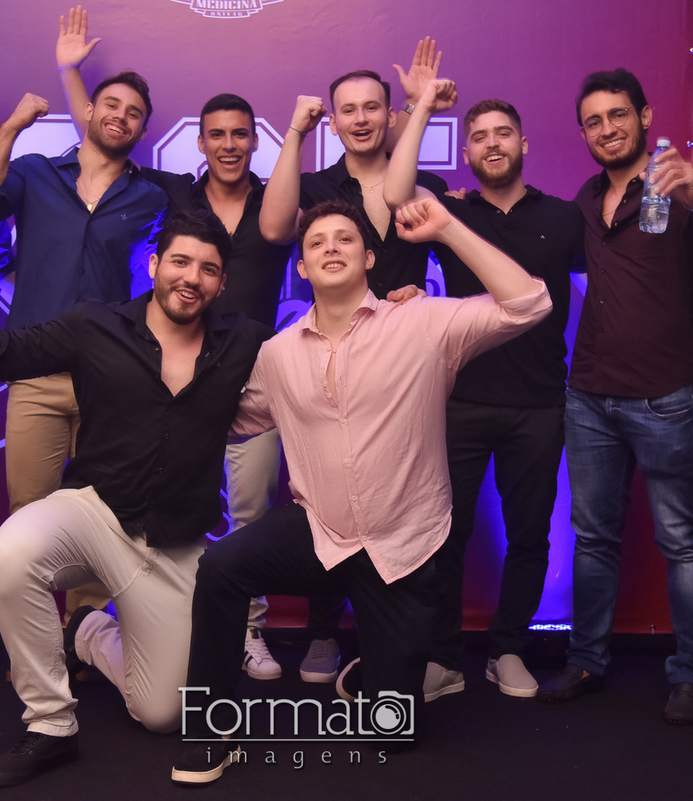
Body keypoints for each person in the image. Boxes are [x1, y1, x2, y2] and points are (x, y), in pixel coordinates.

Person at [172, 196, 552, 784]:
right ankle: (209, 731)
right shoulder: (276, 355)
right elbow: (224, 422)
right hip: (319, 533)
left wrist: (448, 229)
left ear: (369, 258)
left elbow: (530, 302)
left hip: (401, 546)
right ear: (302, 267)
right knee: (223, 566)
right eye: (317, 242)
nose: (331, 248)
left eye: (345, 238)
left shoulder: (424, 323)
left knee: (393, 734)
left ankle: (373, 678)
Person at [0, 210, 272, 787]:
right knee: (13, 550)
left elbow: (322, 355)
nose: (192, 278)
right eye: (180, 261)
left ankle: (87, 630)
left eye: (208, 269)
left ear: (221, 283)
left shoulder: (245, 341)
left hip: (175, 542)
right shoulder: (95, 324)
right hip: (95, 513)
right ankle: (50, 722)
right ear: (154, 265)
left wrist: (395, 307)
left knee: (163, 713)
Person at [54, 7, 289, 680]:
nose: (228, 144)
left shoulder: (278, 197)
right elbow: (101, 141)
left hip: (249, 378)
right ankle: (124, 620)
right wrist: (71, 74)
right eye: (216, 134)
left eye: (240, 134)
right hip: (180, 376)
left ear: (255, 141)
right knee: (155, 501)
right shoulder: (176, 193)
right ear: (200, 142)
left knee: (250, 512)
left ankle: (248, 630)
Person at [537, 68, 693, 725]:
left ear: (645, 116)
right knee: (592, 538)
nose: (606, 128)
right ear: (583, 132)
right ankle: (586, 660)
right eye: (594, 121)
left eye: (618, 115)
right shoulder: (582, 200)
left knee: (682, 539)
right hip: (589, 395)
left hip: (667, 396)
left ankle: (691, 673)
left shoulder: (685, 185)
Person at [385, 84, 585, 701]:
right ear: (466, 153)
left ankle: (508, 651)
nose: (492, 144)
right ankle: (443, 658)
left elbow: (613, 286)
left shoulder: (564, 217)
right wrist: (421, 106)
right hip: (459, 400)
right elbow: (395, 193)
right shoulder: (451, 213)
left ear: (523, 143)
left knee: (530, 534)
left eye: (502, 133)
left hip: (540, 402)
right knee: (443, 535)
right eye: (478, 137)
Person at [258, 58, 450, 680]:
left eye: (373, 107)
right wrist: (295, 130)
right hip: (333, 357)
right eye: (348, 110)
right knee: (330, 497)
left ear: (391, 116)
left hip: (400, 364)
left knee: (401, 497)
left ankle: (397, 645)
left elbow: (442, 244)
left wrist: (421, 298)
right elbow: (273, 228)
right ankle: (323, 630)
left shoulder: (423, 184)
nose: (361, 119)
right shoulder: (317, 186)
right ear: (334, 122)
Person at [0, 52, 167, 532]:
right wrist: (13, 125)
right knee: (28, 522)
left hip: (108, 380)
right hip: (35, 374)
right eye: (111, 105)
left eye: (133, 113)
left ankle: (89, 591)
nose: (120, 116)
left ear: (141, 131)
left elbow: (153, 280)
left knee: (103, 523)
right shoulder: (35, 172)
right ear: (88, 111)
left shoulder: (150, 198)